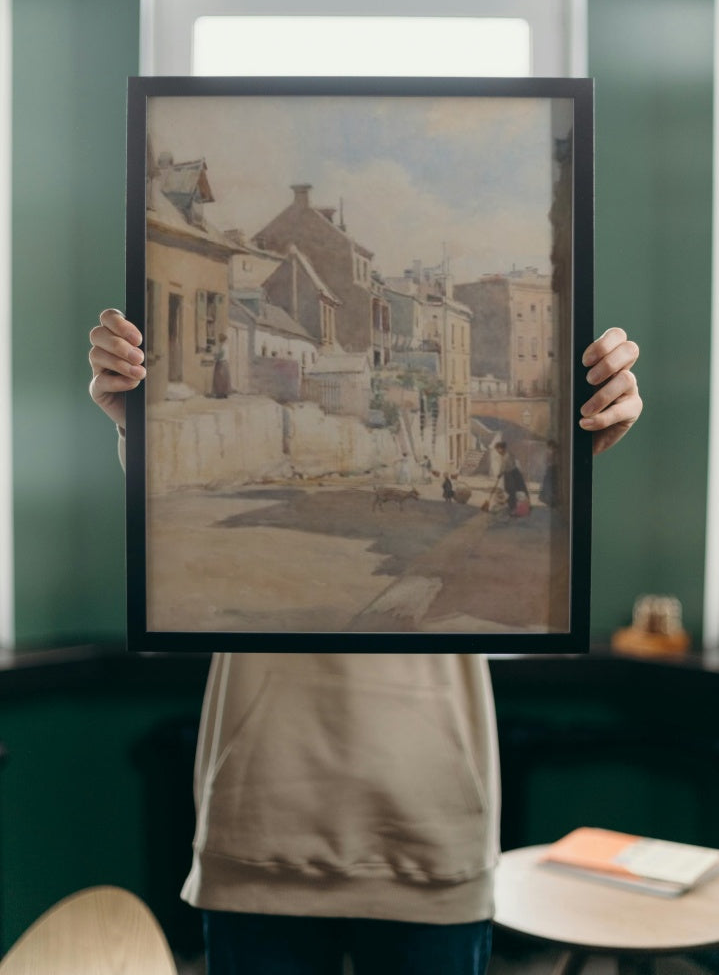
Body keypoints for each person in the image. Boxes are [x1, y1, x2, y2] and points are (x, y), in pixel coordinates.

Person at [88, 314, 642, 975]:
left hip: (431, 824)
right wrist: (135, 419)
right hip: (263, 823)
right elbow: (166, 535)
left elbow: (530, 548)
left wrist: (572, 454)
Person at [493, 442, 529, 516]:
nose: (497, 451)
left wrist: (501, 473)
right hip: (510, 474)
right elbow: (504, 467)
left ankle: (515, 509)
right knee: (511, 491)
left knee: (512, 491)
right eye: (496, 449)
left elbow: (506, 467)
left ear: (501, 448)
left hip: (512, 475)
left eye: (498, 449)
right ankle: (514, 508)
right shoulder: (505, 455)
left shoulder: (507, 456)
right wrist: (501, 473)